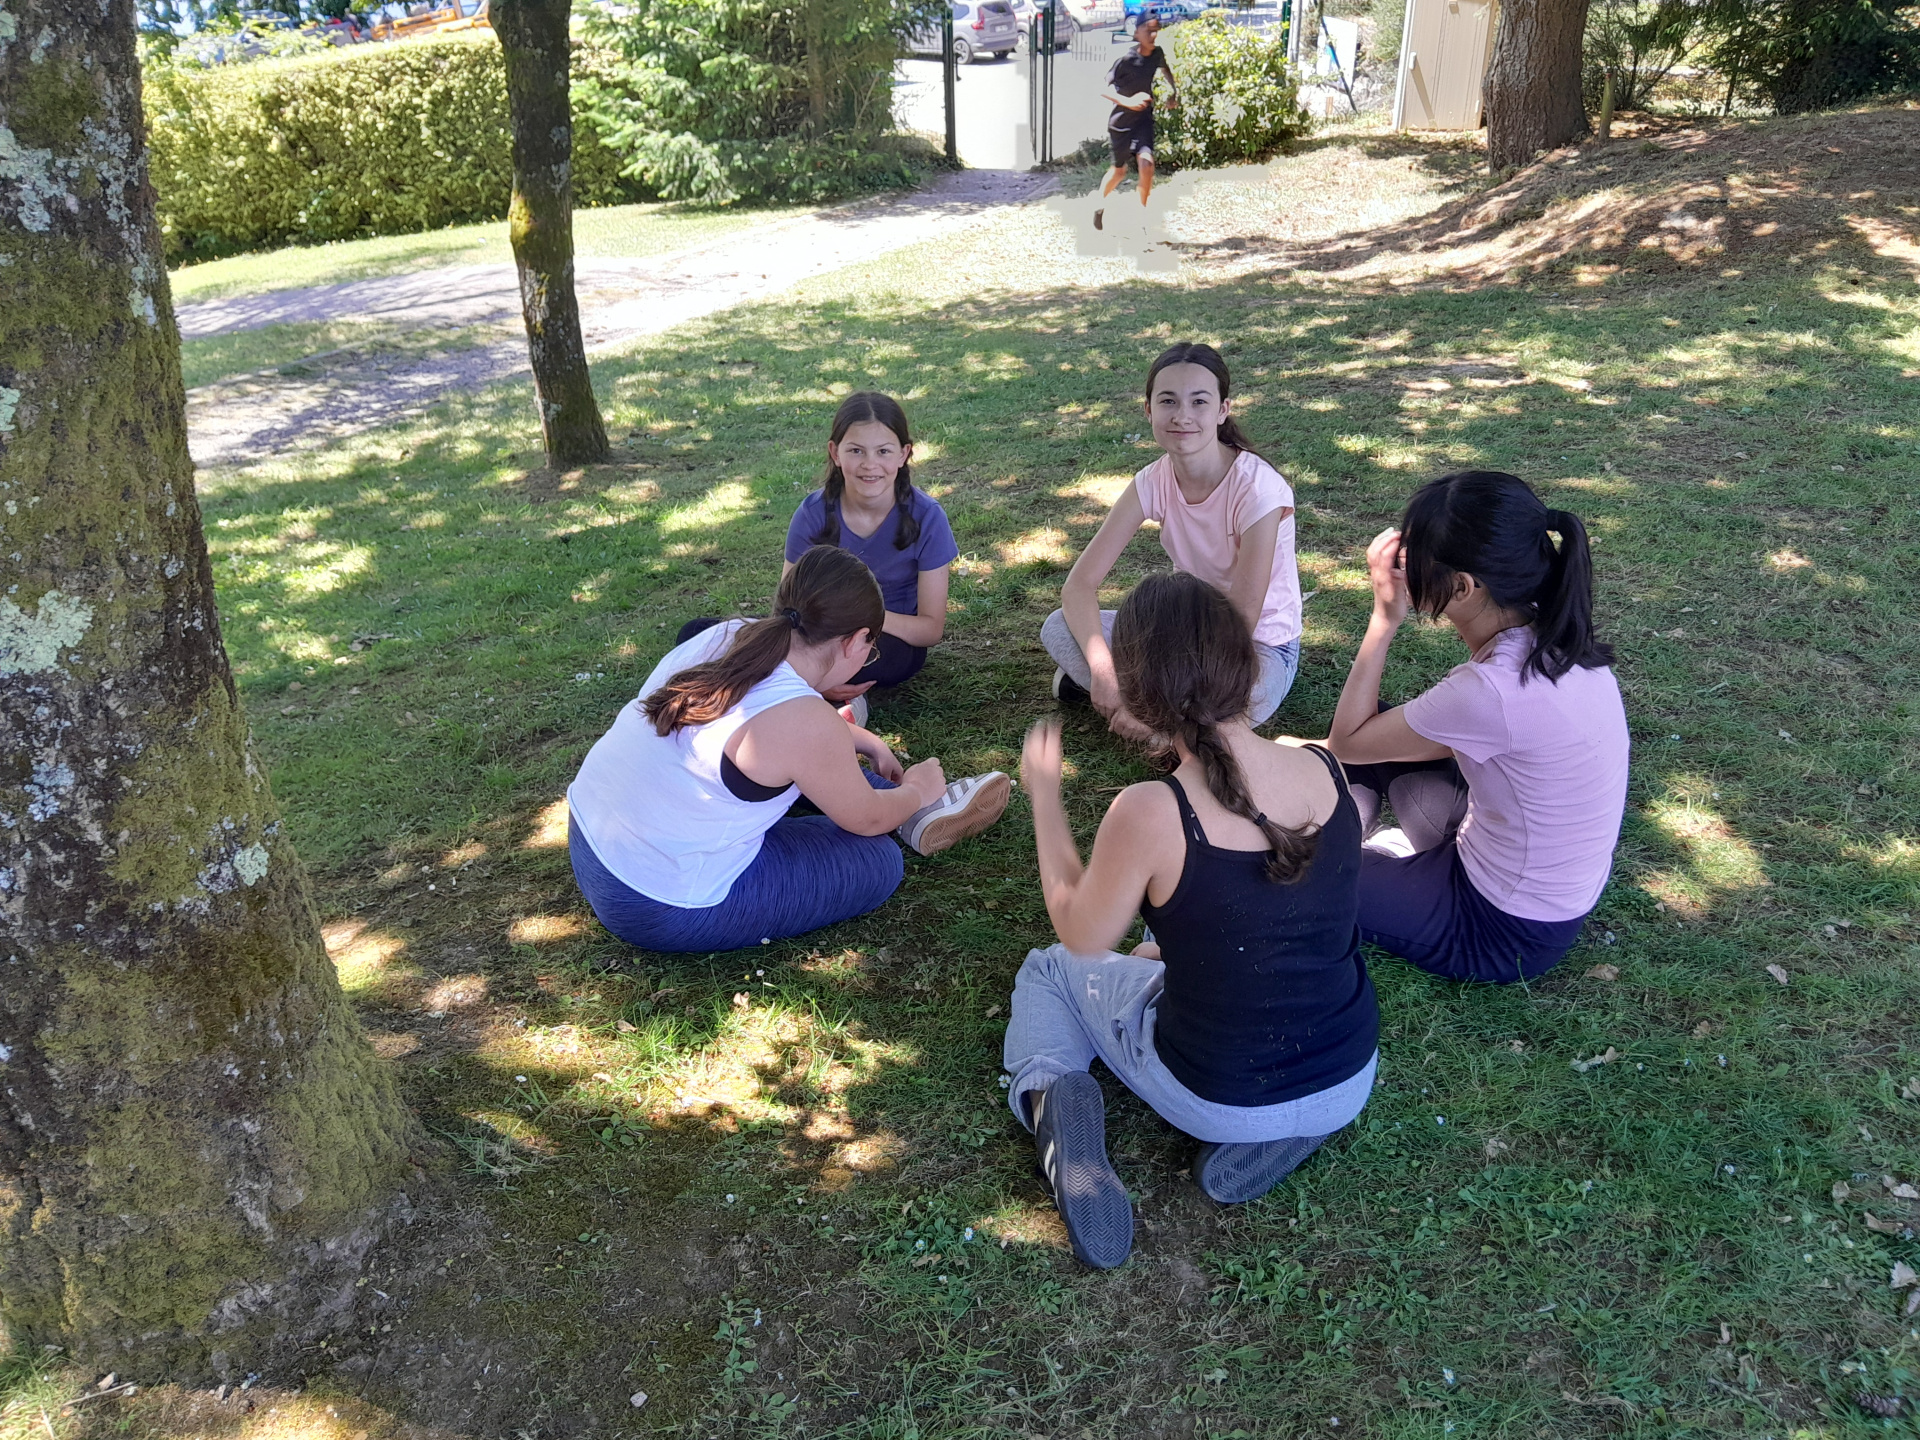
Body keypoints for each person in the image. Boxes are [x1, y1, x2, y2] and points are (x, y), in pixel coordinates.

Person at [1006, 572, 1378, 1269]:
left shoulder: (1151, 811)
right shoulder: (1323, 768)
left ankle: (1051, 1100)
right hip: (1349, 1075)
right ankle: (1292, 1124)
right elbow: (1270, 914)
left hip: (1217, 1094)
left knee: (1049, 972)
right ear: (1248, 668)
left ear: (1136, 691)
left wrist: (1046, 801)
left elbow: (1080, 936)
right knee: (1176, 927)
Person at [568, 546, 1009, 954]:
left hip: (593, 842)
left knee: (810, 768)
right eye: (871, 648)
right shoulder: (807, 721)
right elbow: (867, 820)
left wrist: (864, 739)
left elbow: (767, 728)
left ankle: (907, 809)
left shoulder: (727, 635)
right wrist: (915, 788)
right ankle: (921, 808)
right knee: (877, 860)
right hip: (663, 903)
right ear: (856, 640)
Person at [1320, 471, 1628, 983]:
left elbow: (1347, 743)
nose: (1403, 566)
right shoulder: (1555, 636)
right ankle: (1361, 838)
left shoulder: (1490, 692)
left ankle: (1350, 843)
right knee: (1382, 734)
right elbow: (1376, 741)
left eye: (1414, 557)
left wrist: (1383, 619)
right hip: (1510, 871)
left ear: (1462, 586)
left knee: (1303, 880)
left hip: (1501, 929)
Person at [1042, 341, 1303, 737]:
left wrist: (1160, 686)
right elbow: (1078, 586)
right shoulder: (1152, 480)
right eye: (1168, 401)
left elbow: (1243, 617)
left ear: (1222, 410)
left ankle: (1149, 716)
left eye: (1199, 402)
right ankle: (1160, 719)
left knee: (1238, 707)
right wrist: (1103, 670)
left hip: (1255, 644)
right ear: (1148, 410)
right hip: (1180, 631)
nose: (1182, 416)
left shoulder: (1259, 490)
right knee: (1059, 626)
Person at [1094, 15, 1178, 231]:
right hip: (1121, 123)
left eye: (1156, 30)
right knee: (1118, 172)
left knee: (1147, 164)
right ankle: (1099, 205)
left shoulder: (1157, 54)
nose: (1153, 35)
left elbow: (1165, 69)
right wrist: (1128, 102)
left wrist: (1173, 92)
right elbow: (1102, 87)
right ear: (1137, 32)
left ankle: (1142, 218)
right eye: (1149, 31)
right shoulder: (1126, 59)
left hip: (1143, 120)